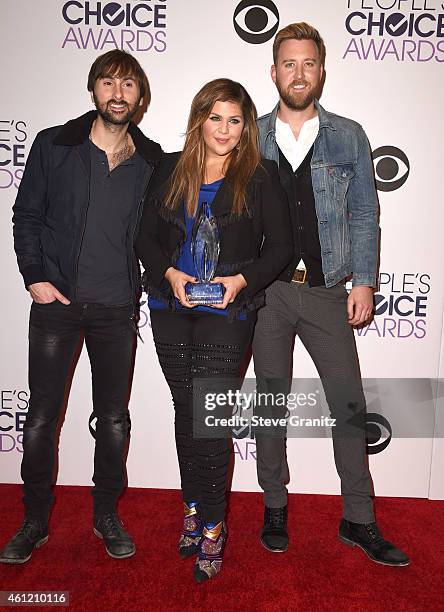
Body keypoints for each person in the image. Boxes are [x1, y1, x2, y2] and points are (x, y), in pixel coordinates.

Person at [253, 22, 410, 566]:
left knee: (347, 405)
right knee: (270, 406)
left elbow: (365, 211)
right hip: (267, 295)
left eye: (308, 64)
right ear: (274, 72)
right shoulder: (249, 136)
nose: (299, 74)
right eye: (288, 64)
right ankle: (274, 507)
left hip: (327, 293)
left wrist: (363, 278)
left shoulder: (349, 136)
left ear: (322, 70)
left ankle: (358, 518)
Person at [1, 50, 161, 564]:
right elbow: (26, 214)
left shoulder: (153, 160)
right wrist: (35, 278)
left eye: (129, 85)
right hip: (58, 305)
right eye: (109, 82)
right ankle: (33, 518)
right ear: (93, 90)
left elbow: (161, 234)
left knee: (113, 419)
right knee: (43, 417)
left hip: (117, 308)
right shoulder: (56, 144)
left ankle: (106, 514)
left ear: (141, 96)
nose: (119, 93)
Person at [136, 78, 292, 582]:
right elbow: (144, 237)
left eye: (235, 119)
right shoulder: (168, 167)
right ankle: (193, 507)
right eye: (215, 117)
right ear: (199, 117)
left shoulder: (262, 174)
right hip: (170, 303)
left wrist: (240, 279)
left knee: (208, 420)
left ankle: (213, 526)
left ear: (245, 126)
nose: (224, 129)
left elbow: (281, 249)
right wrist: (170, 274)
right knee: (186, 413)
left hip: (228, 311)